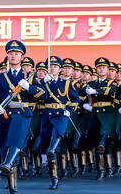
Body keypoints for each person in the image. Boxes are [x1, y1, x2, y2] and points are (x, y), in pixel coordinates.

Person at [0, 40, 46, 194]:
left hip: (22, 114)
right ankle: (12, 186)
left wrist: (29, 87)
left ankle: (9, 169)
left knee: (15, 141)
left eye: (16, 54)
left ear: (22, 57)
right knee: (5, 148)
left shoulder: (30, 77)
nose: (13, 56)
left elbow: (43, 94)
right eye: (10, 54)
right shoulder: (1, 77)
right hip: (5, 115)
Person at [39, 56, 79, 189]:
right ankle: (54, 178)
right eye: (50, 66)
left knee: (54, 142)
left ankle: (52, 149)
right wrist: (41, 84)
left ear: (60, 69)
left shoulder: (66, 83)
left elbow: (75, 99)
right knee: (49, 150)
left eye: (55, 66)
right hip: (47, 116)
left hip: (61, 116)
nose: (52, 68)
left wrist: (70, 110)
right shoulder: (43, 83)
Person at [84, 57, 119, 180]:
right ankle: (102, 169)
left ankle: (107, 168)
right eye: (99, 68)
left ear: (108, 69)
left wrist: (96, 91)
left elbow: (111, 90)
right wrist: (85, 104)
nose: (101, 70)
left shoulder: (112, 82)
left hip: (109, 114)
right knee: (96, 143)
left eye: (104, 67)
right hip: (95, 114)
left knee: (103, 138)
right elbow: (85, 95)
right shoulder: (92, 83)